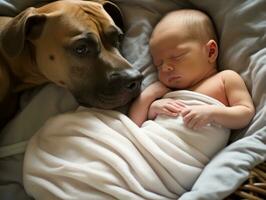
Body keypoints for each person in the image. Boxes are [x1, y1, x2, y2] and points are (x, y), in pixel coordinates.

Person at [129, 9, 255, 130]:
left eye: (176, 57)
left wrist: (213, 113)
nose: (166, 68)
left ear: (210, 52)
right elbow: (132, 125)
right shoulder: (166, 92)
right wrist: (150, 101)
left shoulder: (225, 79)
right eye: (158, 64)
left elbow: (245, 113)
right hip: (148, 141)